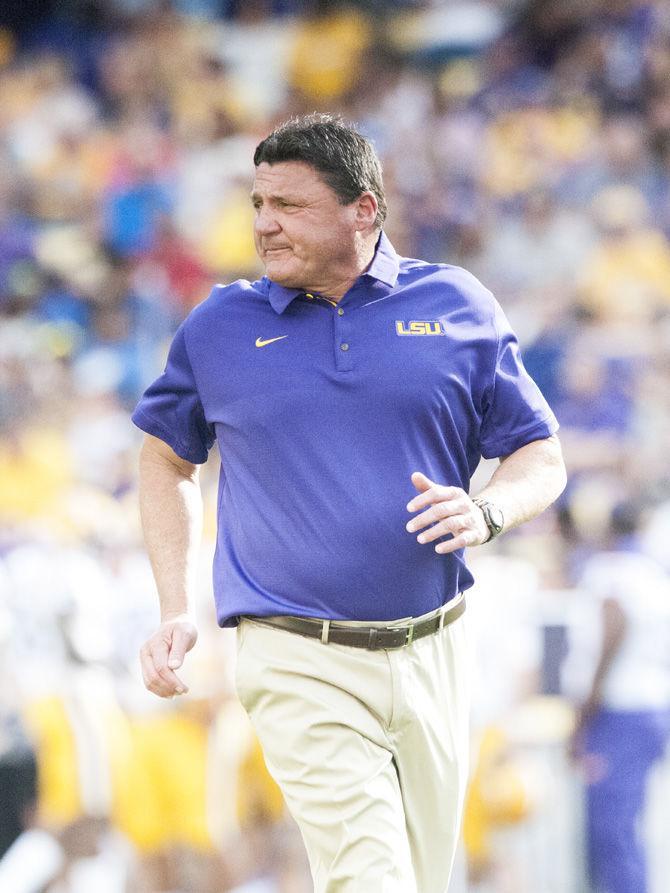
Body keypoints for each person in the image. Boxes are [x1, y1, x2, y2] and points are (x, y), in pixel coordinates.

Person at [132, 114, 566, 893]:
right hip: (296, 650)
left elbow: (542, 453)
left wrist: (490, 509)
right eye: (258, 202)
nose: (264, 223)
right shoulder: (219, 327)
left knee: (423, 880)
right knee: (371, 878)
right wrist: (173, 604)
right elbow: (165, 459)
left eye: (289, 205)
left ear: (363, 210)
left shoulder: (458, 304)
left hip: (435, 649)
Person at [565, 504, 670, 893]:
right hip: (650, 706)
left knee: (612, 831)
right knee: (625, 824)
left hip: (618, 710)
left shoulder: (610, 570)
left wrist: (586, 707)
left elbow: (616, 619)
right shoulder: (654, 572)